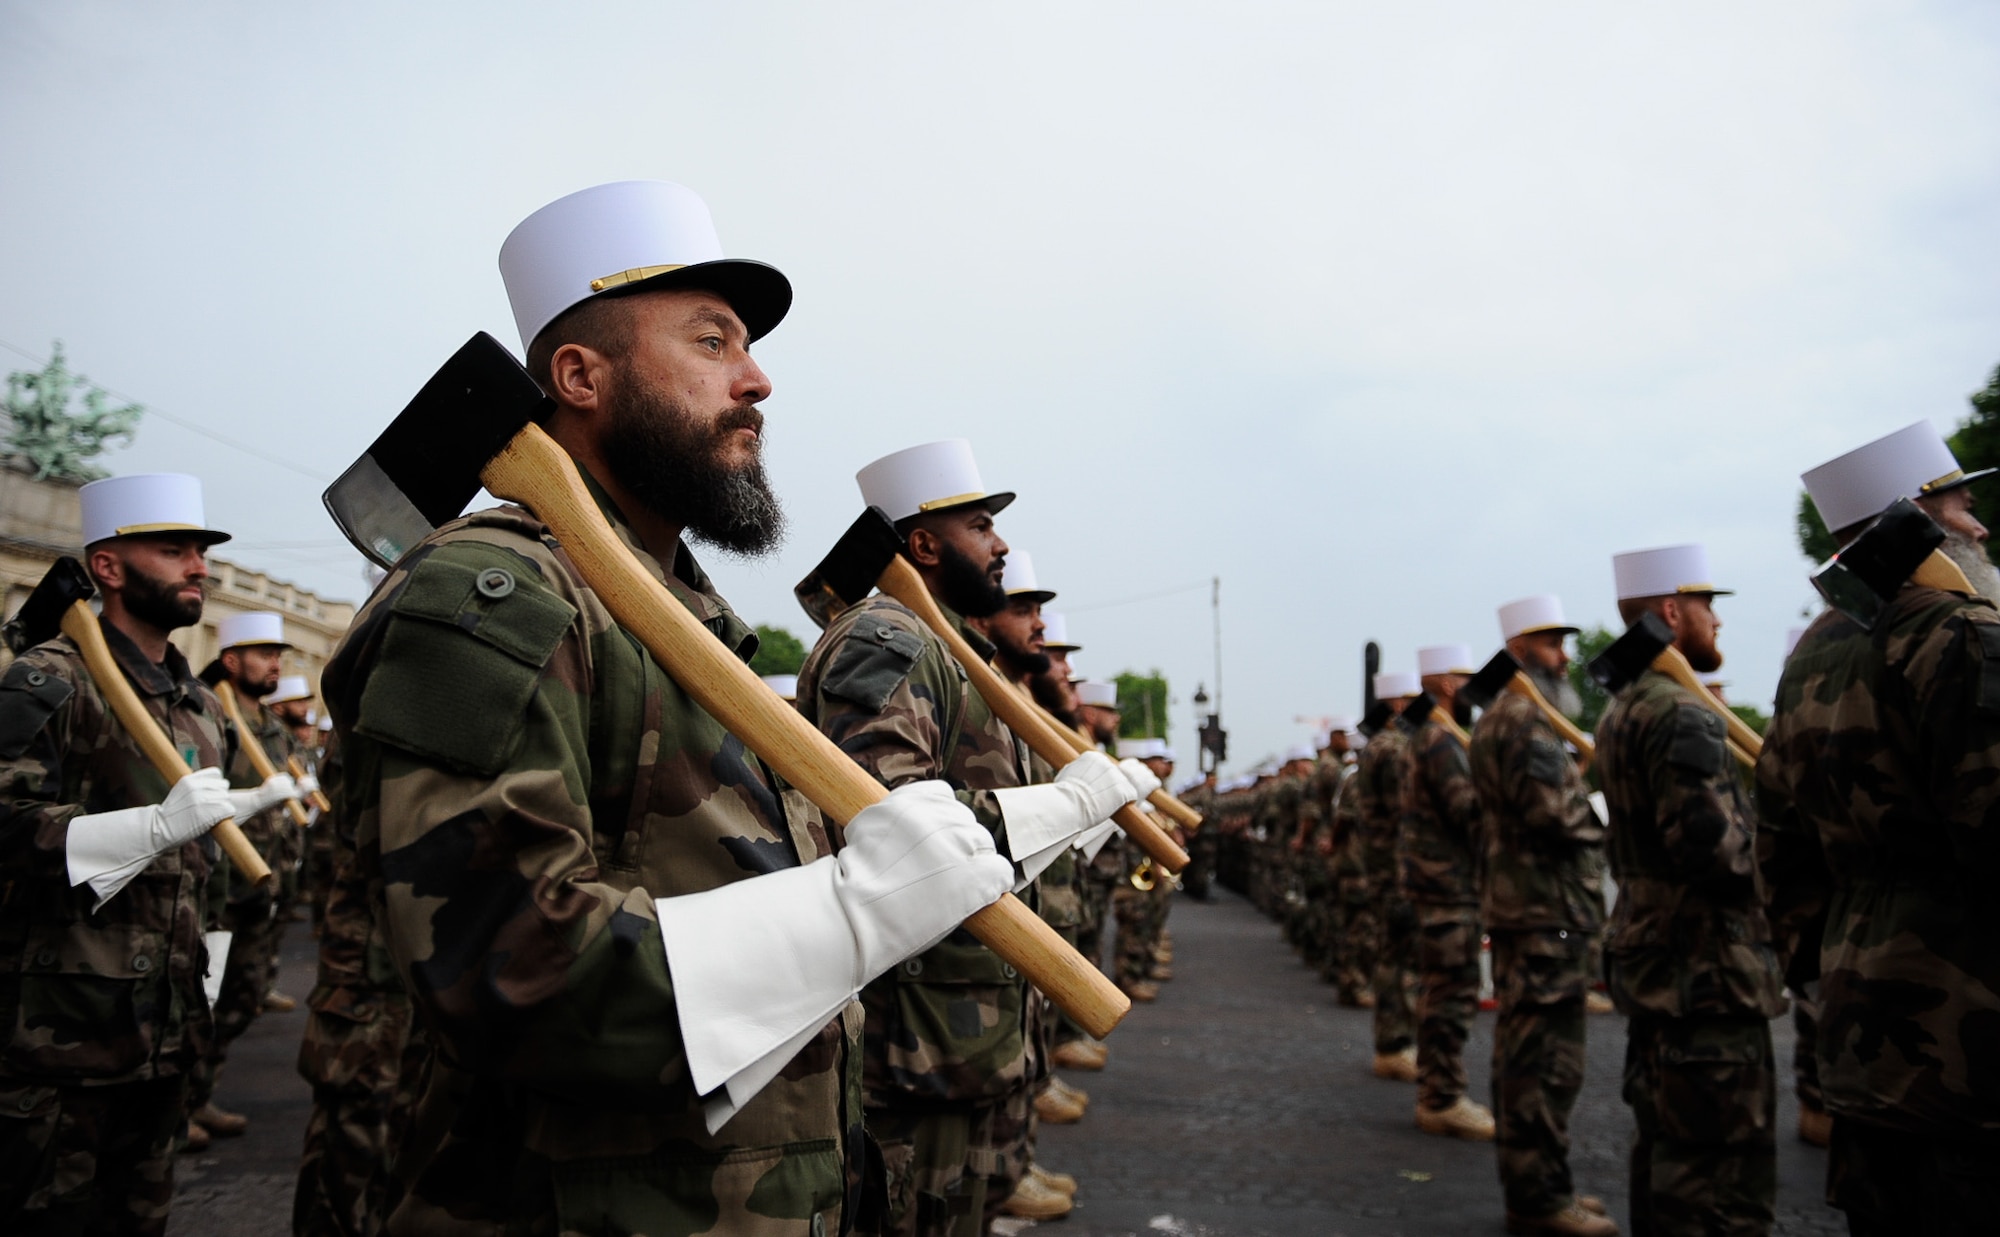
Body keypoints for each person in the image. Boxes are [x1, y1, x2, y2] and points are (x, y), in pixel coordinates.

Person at [321, 181, 1014, 1236]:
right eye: (710, 342)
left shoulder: (687, 615)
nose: (757, 379)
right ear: (578, 375)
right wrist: (846, 915)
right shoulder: (488, 596)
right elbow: (501, 960)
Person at [797, 439, 1140, 1237]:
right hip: (913, 1027)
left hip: (961, 1011)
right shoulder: (890, 639)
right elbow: (887, 822)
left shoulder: (949, 648)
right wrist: (1060, 810)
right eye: (983, 526)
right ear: (922, 543)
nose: (1002, 546)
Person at [0, 472, 294, 1234]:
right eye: (174, 551)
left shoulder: (199, 708)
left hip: (166, 1035)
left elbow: (202, 874)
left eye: (200, 551)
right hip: (58, 1040)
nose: (200, 567)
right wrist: (147, 829)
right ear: (108, 567)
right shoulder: (48, 678)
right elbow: (4, 824)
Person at [1759, 422, 2000, 1235]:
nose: (1980, 525)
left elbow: (1780, 850)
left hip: (1863, 1035)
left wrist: (1829, 979)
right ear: (1918, 516)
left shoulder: (1812, 655)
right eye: (1964, 506)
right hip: (1973, 1048)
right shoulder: (1964, 635)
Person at [1596, 544, 1784, 1237]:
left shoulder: (1626, 708)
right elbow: (1715, 855)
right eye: (1709, 607)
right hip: (1707, 968)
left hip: (1662, 962)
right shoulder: (1683, 713)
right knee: (1720, 1175)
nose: (1718, 624)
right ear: (1673, 611)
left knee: (1670, 1150)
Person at [1469, 597, 1616, 1236]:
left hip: (1534, 906)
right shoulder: (1525, 721)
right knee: (1544, 1064)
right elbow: (1553, 814)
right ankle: (1539, 1199)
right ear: (1522, 650)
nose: (1564, 657)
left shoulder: (1514, 718)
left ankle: (1542, 1187)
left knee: (1532, 1055)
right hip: (1543, 909)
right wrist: (1609, 814)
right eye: (1553, 644)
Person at [186, 612, 307, 1145]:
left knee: (243, 995)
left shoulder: (274, 728)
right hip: (220, 884)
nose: (275, 663)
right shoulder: (214, 714)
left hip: (265, 878)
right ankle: (180, 1106)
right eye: (264, 653)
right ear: (231, 661)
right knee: (198, 1002)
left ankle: (200, 1092)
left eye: (278, 654)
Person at [1402, 643, 1497, 1140]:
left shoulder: (1436, 735)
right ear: (1445, 684)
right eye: (1465, 679)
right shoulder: (1440, 740)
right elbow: (1469, 812)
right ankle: (1441, 1097)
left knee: (1445, 989)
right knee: (1450, 993)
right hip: (1448, 886)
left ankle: (1440, 1091)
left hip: (1444, 884)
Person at [1359, 669, 1423, 1083]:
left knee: (1392, 952)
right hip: (1398, 865)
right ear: (1397, 705)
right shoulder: (1395, 748)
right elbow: (1412, 808)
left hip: (1385, 864)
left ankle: (1394, 1042)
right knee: (1399, 956)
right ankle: (1395, 1044)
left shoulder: (1377, 747)